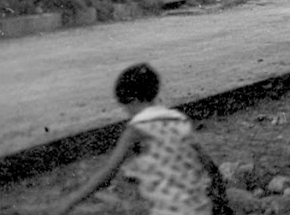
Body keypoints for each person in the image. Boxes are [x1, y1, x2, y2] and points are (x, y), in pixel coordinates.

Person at [48, 63, 231, 214]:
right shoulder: (178, 119)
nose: (128, 113)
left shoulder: (138, 127)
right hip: (200, 207)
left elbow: (107, 174)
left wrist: (69, 202)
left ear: (132, 99)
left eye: (126, 107)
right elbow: (208, 164)